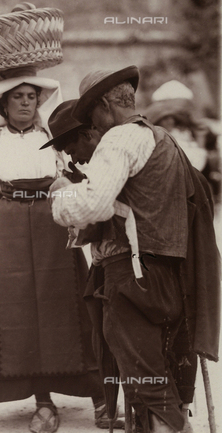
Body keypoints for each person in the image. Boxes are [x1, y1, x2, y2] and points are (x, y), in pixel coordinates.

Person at [42, 66, 220, 433]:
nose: (93, 125)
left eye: (90, 116)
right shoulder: (163, 139)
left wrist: (61, 196)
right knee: (158, 378)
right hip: (171, 276)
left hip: (133, 277)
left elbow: (94, 206)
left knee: (148, 384)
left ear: (105, 105)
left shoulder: (120, 137)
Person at [0, 69, 115, 432]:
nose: (25, 103)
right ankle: (43, 401)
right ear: (2, 104)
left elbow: (89, 165)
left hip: (53, 222)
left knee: (70, 303)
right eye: (17, 97)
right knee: (19, 308)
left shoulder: (53, 135)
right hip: (8, 227)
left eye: (31, 97)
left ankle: (101, 398)